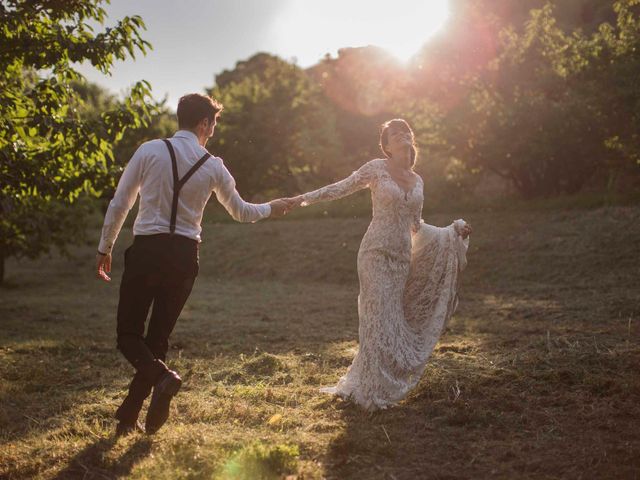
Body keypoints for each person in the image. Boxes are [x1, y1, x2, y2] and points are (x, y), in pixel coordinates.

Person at [95, 93, 295, 436]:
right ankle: (129, 414)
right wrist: (272, 207)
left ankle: (160, 381)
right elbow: (242, 212)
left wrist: (105, 246)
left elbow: (121, 203)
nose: (214, 131)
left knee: (129, 335)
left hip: (147, 250)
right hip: (185, 257)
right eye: (213, 124)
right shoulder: (214, 166)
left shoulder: (149, 150)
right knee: (157, 338)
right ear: (204, 123)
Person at [291, 119, 472, 410]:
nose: (402, 135)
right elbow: (341, 188)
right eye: (394, 134)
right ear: (386, 146)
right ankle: (370, 393)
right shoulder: (376, 168)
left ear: (412, 141)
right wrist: (300, 200)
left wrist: (451, 233)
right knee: (375, 320)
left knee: (389, 321)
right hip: (375, 252)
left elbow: (416, 226)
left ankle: (381, 385)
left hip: (401, 259)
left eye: (406, 132)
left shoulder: (418, 180)